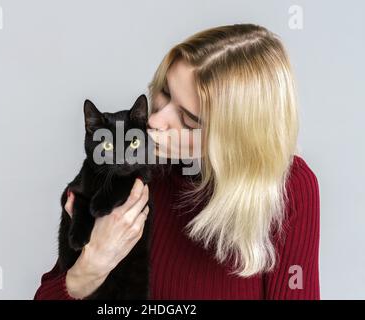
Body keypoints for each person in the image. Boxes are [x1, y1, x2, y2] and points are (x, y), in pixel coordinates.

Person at [34, 24, 320, 300]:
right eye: (165, 92)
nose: (156, 121)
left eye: (187, 119)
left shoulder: (291, 188)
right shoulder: (131, 170)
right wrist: (88, 270)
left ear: (235, 139)